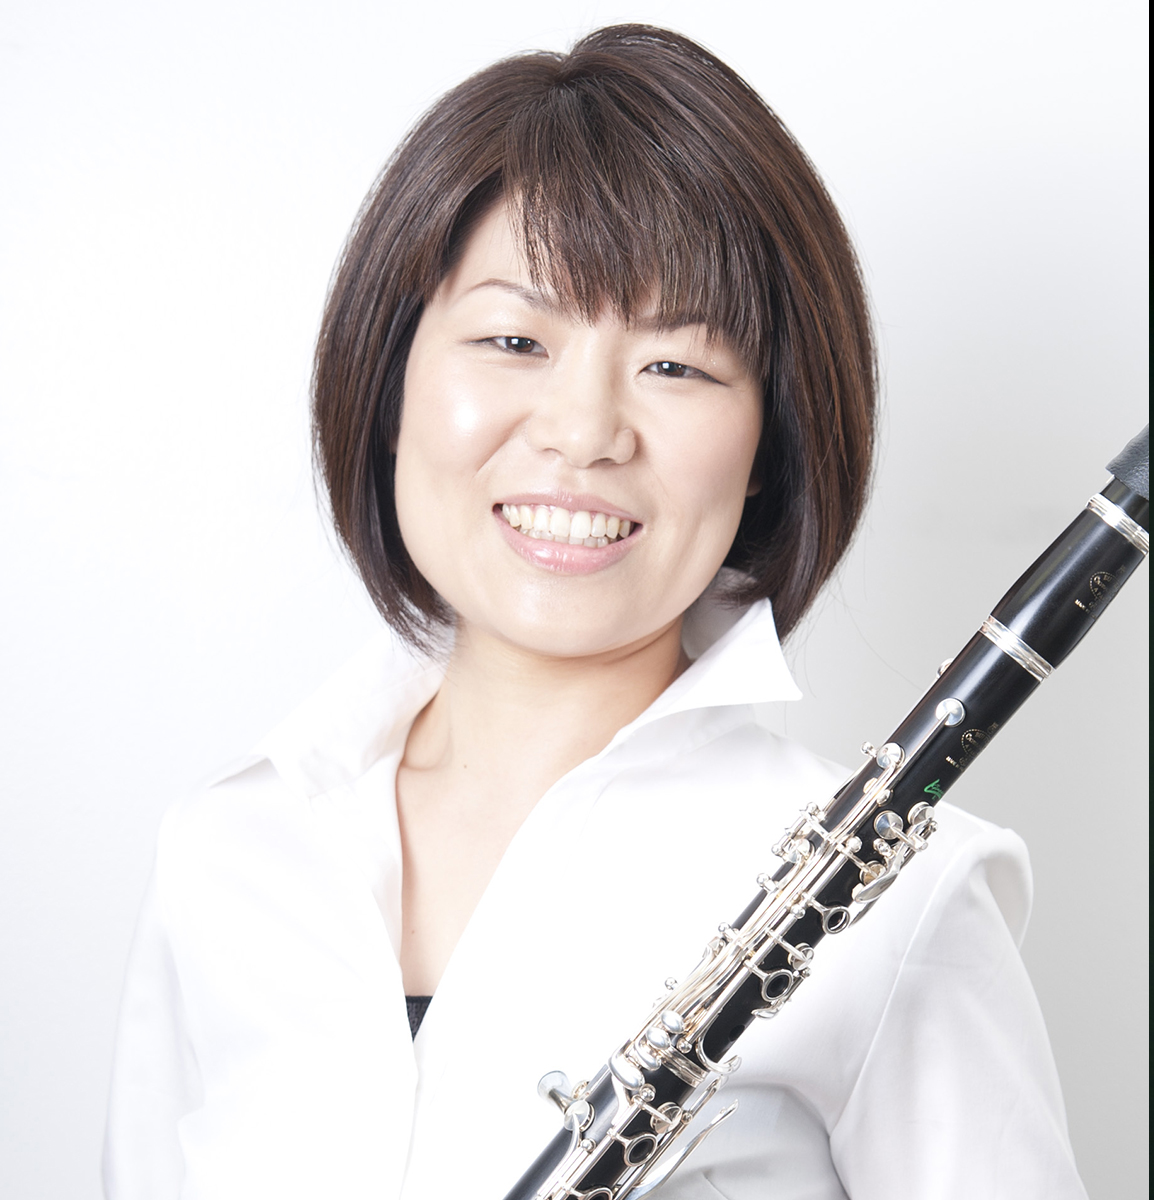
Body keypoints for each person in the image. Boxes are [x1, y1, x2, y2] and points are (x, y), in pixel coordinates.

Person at [102, 25, 1087, 1200]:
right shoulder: (228, 851)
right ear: (390, 379)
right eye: (512, 340)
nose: (582, 433)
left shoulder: (900, 904)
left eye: (676, 366)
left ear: (765, 446)